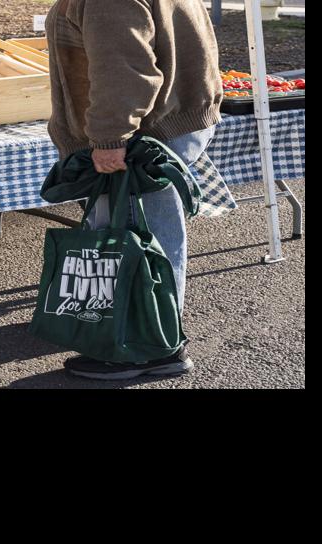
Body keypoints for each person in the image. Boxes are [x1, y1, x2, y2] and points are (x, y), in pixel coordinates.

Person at [45, 0, 222, 380]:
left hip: (143, 132)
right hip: (169, 119)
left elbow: (123, 67)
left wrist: (110, 137)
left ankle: (144, 349)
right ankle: (136, 331)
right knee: (146, 235)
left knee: (137, 239)